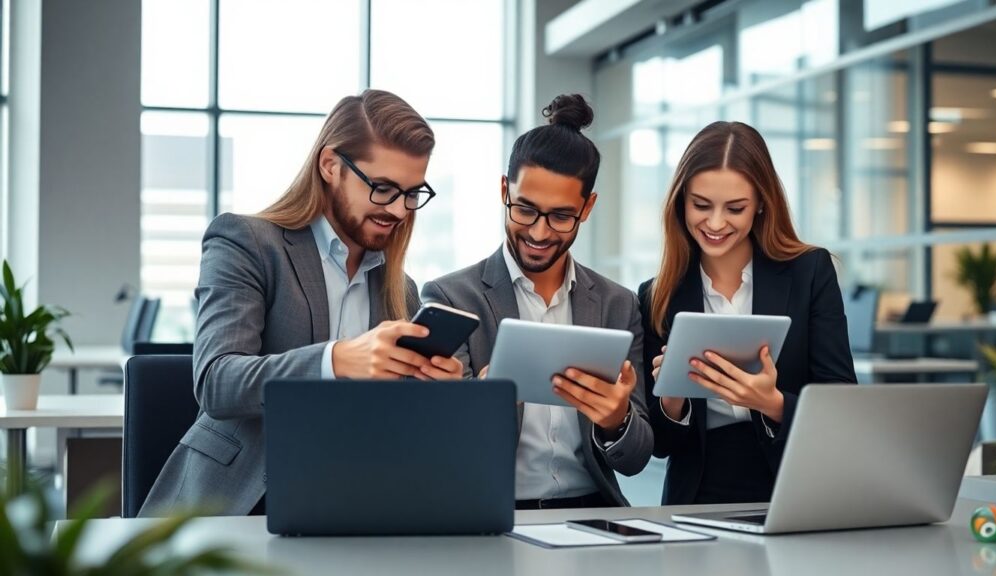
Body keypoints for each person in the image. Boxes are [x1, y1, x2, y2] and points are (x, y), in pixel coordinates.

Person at [141, 89, 463, 516]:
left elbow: (392, 422)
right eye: (383, 188)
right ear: (330, 166)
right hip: (242, 502)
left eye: (411, 193)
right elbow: (217, 382)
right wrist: (338, 360)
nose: (400, 210)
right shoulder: (247, 243)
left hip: (355, 499)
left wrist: (436, 393)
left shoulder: (398, 288)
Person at [422, 94, 653, 509]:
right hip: (494, 513)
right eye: (525, 209)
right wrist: (482, 406)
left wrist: (617, 420)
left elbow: (636, 459)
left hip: (592, 512)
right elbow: (438, 447)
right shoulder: (449, 298)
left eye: (561, 216)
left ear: (587, 208)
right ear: (503, 190)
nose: (540, 233)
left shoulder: (618, 306)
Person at [639, 121, 856, 505]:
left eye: (735, 208)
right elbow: (660, 445)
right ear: (680, 203)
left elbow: (842, 404)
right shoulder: (658, 296)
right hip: (697, 496)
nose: (716, 223)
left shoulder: (810, 273)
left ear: (760, 204)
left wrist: (771, 402)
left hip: (795, 485)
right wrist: (672, 399)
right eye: (701, 205)